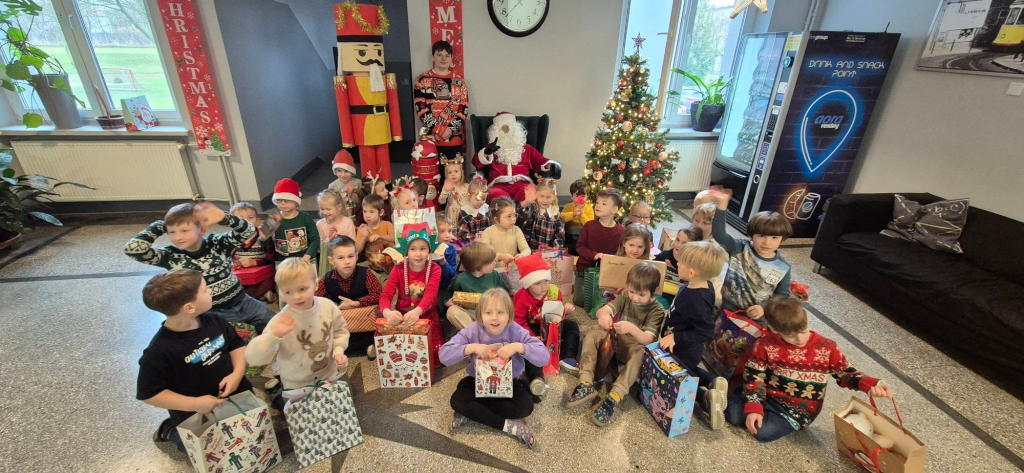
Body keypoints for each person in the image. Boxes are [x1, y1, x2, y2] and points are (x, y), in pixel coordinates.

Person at [725, 297, 894, 442]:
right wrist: (755, 406)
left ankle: (746, 404)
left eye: (803, 331)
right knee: (733, 415)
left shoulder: (827, 347)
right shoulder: (765, 344)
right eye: (790, 335)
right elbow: (755, 377)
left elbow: (845, 373)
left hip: (796, 411)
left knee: (763, 433)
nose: (800, 339)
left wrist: (868, 384)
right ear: (775, 330)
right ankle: (738, 399)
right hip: (767, 396)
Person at [137, 270, 252, 452]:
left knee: (248, 437)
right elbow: (149, 393)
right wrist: (195, 404)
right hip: (195, 413)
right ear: (189, 308)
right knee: (206, 450)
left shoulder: (214, 319)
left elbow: (236, 345)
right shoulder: (159, 351)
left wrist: (237, 374)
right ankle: (169, 429)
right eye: (205, 290)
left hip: (236, 396)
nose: (211, 291)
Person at [125, 201, 275, 333]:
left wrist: (225, 218)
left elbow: (248, 231)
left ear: (202, 230)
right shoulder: (170, 256)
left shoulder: (217, 243)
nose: (178, 237)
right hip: (213, 313)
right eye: (171, 232)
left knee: (277, 324)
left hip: (244, 301)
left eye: (184, 230)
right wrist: (159, 226)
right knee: (234, 341)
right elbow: (133, 250)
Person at [439, 288, 549, 449]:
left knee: (525, 407)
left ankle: (473, 413)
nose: (495, 318)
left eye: (500, 312)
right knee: (457, 401)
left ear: (509, 314)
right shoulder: (473, 330)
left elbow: (544, 357)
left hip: (510, 383)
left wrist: (518, 347)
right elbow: (444, 355)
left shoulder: (515, 330)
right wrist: (471, 347)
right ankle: (510, 426)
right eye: (488, 312)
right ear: (480, 315)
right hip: (477, 382)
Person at [565, 263, 666, 427]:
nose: (635, 297)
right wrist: (604, 317)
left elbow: (647, 339)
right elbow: (603, 311)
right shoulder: (625, 296)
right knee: (592, 335)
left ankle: (615, 396)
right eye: (632, 291)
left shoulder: (657, 310)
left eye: (641, 294)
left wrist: (631, 328)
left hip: (635, 347)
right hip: (617, 342)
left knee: (641, 354)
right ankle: (585, 382)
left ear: (654, 291)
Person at [245, 258, 350, 389]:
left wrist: (338, 351)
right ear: (281, 291)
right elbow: (253, 359)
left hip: (330, 376)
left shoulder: (328, 307)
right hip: (296, 385)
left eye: (302, 289)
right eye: (288, 292)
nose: (296, 297)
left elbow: (340, 331)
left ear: (315, 284)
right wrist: (274, 336)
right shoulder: (280, 320)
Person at [658, 240, 728, 429]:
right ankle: (713, 382)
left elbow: (706, 331)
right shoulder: (704, 286)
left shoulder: (695, 298)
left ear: (691, 272)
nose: (677, 264)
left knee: (679, 376)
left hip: (683, 347)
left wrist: (676, 337)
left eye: (680, 262)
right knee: (688, 369)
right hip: (685, 347)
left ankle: (705, 397)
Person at [708, 189, 792, 318]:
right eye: (761, 236)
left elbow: (782, 294)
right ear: (751, 235)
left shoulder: (783, 266)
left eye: (774, 237)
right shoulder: (739, 247)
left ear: (782, 239)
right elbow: (719, 235)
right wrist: (722, 206)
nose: (767, 242)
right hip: (727, 310)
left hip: (757, 317)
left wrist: (763, 307)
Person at [513, 253, 581, 397]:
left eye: (546, 281)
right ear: (527, 284)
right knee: (525, 347)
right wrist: (531, 337)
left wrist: (565, 311)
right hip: (531, 328)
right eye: (537, 283)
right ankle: (537, 377)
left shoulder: (554, 292)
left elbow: (557, 316)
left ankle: (568, 357)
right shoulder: (521, 298)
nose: (544, 286)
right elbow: (518, 323)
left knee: (572, 326)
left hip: (550, 325)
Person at [379, 230, 444, 366]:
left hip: (427, 316)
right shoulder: (398, 269)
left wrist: (417, 312)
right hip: (402, 317)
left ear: (429, 251)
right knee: (397, 352)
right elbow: (386, 294)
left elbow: (431, 295)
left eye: (423, 248)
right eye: (413, 249)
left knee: (433, 355)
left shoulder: (435, 268)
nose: (418, 254)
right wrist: (387, 313)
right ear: (406, 251)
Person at [472, 112, 562, 203]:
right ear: (496, 132)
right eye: (503, 128)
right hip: (499, 185)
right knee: (497, 196)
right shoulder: (491, 148)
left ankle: (523, 211)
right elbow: (476, 163)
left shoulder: (526, 148)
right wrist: (487, 152)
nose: (506, 131)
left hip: (523, 184)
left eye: (508, 128)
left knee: (530, 193)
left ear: (515, 129)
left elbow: (540, 161)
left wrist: (550, 165)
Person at [315, 236, 382, 357]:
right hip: (342, 324)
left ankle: (366, 345)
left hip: (364, 321)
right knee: (332, 335)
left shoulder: (365, 273)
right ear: (331, 260)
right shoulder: (327, 278)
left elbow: (378, 295)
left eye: (350, 256)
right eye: (340, 258)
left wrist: (356, 303)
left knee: (374, 332)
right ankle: (354, 347)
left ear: (356, 256)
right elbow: (316, 300)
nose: (347, 261)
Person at [414, 40, 469, 163]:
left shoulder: (459, 81)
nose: (443, 59)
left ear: (451, 58)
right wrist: (439, 129)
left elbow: (463, 110)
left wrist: (449, 130)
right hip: (430, 139)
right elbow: (421, 108)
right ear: (433, 57)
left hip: (454, 138)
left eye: (447, 55)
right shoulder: (422, 79)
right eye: (439, 55)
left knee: (454, 173)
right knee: (432, 173)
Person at [573, 188, 626, 306]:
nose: (598, 205)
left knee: (606, 301)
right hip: (585, 271)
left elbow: (622, 253)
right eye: (597, 202)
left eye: (604, 203)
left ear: (614, 209)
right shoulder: (589, 225)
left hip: (607, 273)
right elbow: (580, 246)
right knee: (580, 301)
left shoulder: (621, 231)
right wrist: (595, 255)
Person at [445, 242, 508, 330]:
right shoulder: (460, 279)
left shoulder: (494, 275)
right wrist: (448, 302)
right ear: (478, 265)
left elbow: (505, 293)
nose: (495, 263)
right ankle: (475, 333)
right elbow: (448, 297)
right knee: (452, 311)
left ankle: (488, 331)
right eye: (491, 261)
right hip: (472, 315)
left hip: (492, 313)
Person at [229, 202, 275, 302]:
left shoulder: (263, 236)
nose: (246, 221)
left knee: (270, 279)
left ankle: (250, 296)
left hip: (262, 273)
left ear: (257, 221)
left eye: (250, 217)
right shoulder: (229, 239)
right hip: (241, 275)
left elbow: (271, 259)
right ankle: (260, 295)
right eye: (240, 219)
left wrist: (255, 262)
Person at [272, 178, 320, 264]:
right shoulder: (273, 219)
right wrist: (265, 235)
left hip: (304, 258)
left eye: (287, 200)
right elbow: (264, 242)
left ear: (296, 201)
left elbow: (315, 239)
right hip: (283, 261)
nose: (283, 203)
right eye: (279, 200)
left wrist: (307, 257)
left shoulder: (305, 218)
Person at [480, 196, 531, 269]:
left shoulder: (516, 230)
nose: (513, 219)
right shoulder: (488, 232)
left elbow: (526, 249)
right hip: (494, 270)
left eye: (514, 215)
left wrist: (522, 255)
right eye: (509, 216)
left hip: (513, 269)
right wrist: (500, 256)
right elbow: (485, 255)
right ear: (496, 220)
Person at [519, 179, 565, 249]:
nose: (545, 200)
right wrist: (526, 202)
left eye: (548, 197)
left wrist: (555, 248)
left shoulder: (555, 213)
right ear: (536, 195)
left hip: (548, 252)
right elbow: (520, 216)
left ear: (554, 196)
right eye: (541, 196)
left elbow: (560, 235)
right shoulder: (532, 208)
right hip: (529, 251)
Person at [561, 179, 594, 254]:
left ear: (587, 197)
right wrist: (573, 214)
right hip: (569, 239)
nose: (580, 199)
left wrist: (582, 215)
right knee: (566, 253)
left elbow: (589, 225)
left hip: (583, 240)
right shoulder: (568, 207)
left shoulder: (589, 208)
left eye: (583, 196)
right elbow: (562, 218)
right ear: (572, 197)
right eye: (577, 196)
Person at [328, 150, 363, 218]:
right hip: (341, 215)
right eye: (339, 171)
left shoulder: (358, 182)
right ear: (335, 171)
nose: (343, 174)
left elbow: (361, 198)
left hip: (357, 212)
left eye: (346, 171)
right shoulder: (333, 186)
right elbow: (332, 203)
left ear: (351, 171)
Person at [438, 153, 470, 224]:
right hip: (451, 216)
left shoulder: (467, 186)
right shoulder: (447, 187)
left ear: (461, 172)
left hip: (464, 215)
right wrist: (445, 191)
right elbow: (441, 201)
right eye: (450, 172)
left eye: (456, 171)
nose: (453, 174)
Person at [456, 179, 490, 243]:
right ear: (469, 196)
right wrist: (474, 238)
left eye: (483, 199)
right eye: (478, 199)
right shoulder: (464, 211)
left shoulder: (487, 209)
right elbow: (462, 232)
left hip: (486, 242)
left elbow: (492, 226)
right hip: (471, 244)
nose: (481, 202)